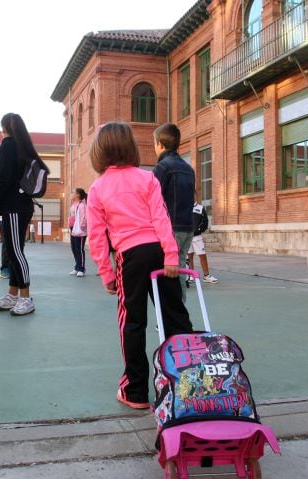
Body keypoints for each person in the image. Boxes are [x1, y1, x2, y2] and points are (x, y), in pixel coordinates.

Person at [87, 122, 193, 410]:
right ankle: (188, 380)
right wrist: (171, 255)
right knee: (175, 315)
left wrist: (106, 273)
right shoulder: (147, 179)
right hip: (159, 252)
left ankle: (135, 390)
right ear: (131, 147)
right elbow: (161, 218)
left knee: (132, 322)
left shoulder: (98, 188)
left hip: (130, 257)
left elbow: (97, 236)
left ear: (99, 151)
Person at [0, 113, 47, 316]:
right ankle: (13, 295)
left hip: (13, 207)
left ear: (4, 128)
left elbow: (1, 179)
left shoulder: (8, 146)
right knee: (15, 250)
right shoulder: (22, 146)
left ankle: (25, 297)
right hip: (22, 205)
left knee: (15, 252)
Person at [153, 123, 195, 297]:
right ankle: (177, 317)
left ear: (160, 144)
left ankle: (173, 319)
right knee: (179, 269)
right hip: (187, 227)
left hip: (171, 229)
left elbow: (154, 199)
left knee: (169, 273)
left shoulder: (163, 167)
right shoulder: (188, 168)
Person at [187, 194, 219, 284]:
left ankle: (206, 276)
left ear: (196, 196)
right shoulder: (185, 207)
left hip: (197, 237)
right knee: (189, 257)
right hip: (187, 237)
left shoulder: (200, 208)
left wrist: (199, 230)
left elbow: (205, 222)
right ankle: (190, 276)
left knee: (202, 256)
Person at [69, 188, 88, 277]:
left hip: (80, 230)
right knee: (74, 249)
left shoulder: (82, 205)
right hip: (73, 229)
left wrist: (82, 228)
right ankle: (77, 267)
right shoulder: (73, 204)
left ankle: (81, 269)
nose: (71, 194)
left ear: (78, 195)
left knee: (79, 249)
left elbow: (84, 217)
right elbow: (71, 216)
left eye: (73, 192)